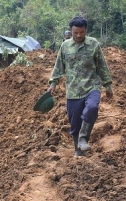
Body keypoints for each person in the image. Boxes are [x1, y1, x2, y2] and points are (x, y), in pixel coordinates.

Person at [47, 16, 113, 157]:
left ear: (85, 30)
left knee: (92, 108)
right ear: (71, 31)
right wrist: (53, 83)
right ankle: (78, 149)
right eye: (75, 33)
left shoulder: (93, 44)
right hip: (73, 90)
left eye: (81, 32)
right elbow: (59, 66)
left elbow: (102, 65)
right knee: (75, 123)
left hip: (92, 86)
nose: (78, 35)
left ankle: (83, 138)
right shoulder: (65, 46)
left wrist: (107, 85)